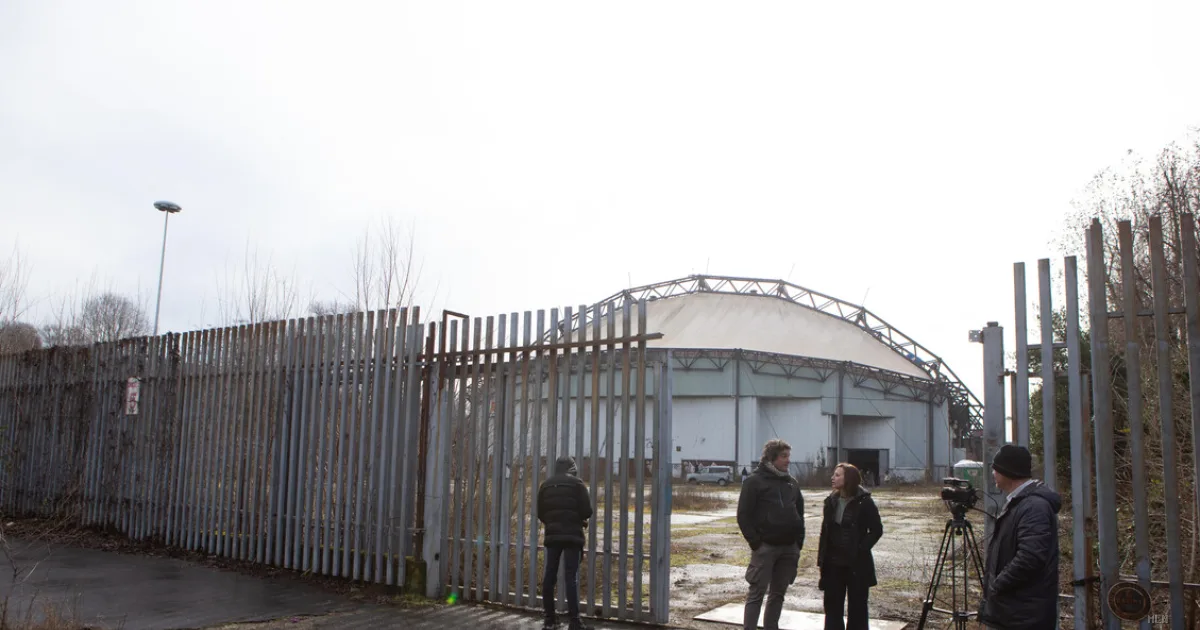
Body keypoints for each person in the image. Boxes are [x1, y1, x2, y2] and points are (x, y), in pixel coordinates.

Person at [979, 444, 1062, 630]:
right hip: (1015, 611)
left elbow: (1030, 557)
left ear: (1007, 471)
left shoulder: (1033, 507)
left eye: (995, 468)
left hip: (1023, 616)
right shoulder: (1021, 502)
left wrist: (997, 585)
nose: (993, 473)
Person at [736, 439, 806, 630]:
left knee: (778, 594)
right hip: (765, 548)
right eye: (784, 456)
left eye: (788, 456)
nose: (788, 460)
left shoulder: (792, 483)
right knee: (756, 593)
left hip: (789, 548)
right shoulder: (754, 481)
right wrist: (756, 543)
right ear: (771, 457)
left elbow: (800, 513)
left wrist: (798, 542)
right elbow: (743, 515)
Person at [818, 463, 883, 630]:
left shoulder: (864, 501)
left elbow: (876, 530)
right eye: (834, 474)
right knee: (832, 608)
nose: (833, 478)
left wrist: (861, 548)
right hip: (833, 564)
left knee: (858, 609)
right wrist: (822, 560)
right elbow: (825, 533)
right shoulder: (830, 502)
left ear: (849, 479)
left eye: (838, 475)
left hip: (856, 565)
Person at [537, 456, 594, 630]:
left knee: (549, 576)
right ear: (572, 468)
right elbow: (587, 511)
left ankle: (549, 619)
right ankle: (574, 621)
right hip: (572, 536)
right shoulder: (577, 484)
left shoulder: (545, 486)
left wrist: (553, 522)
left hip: (553, 536)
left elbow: (541, 513)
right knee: (571, 578)